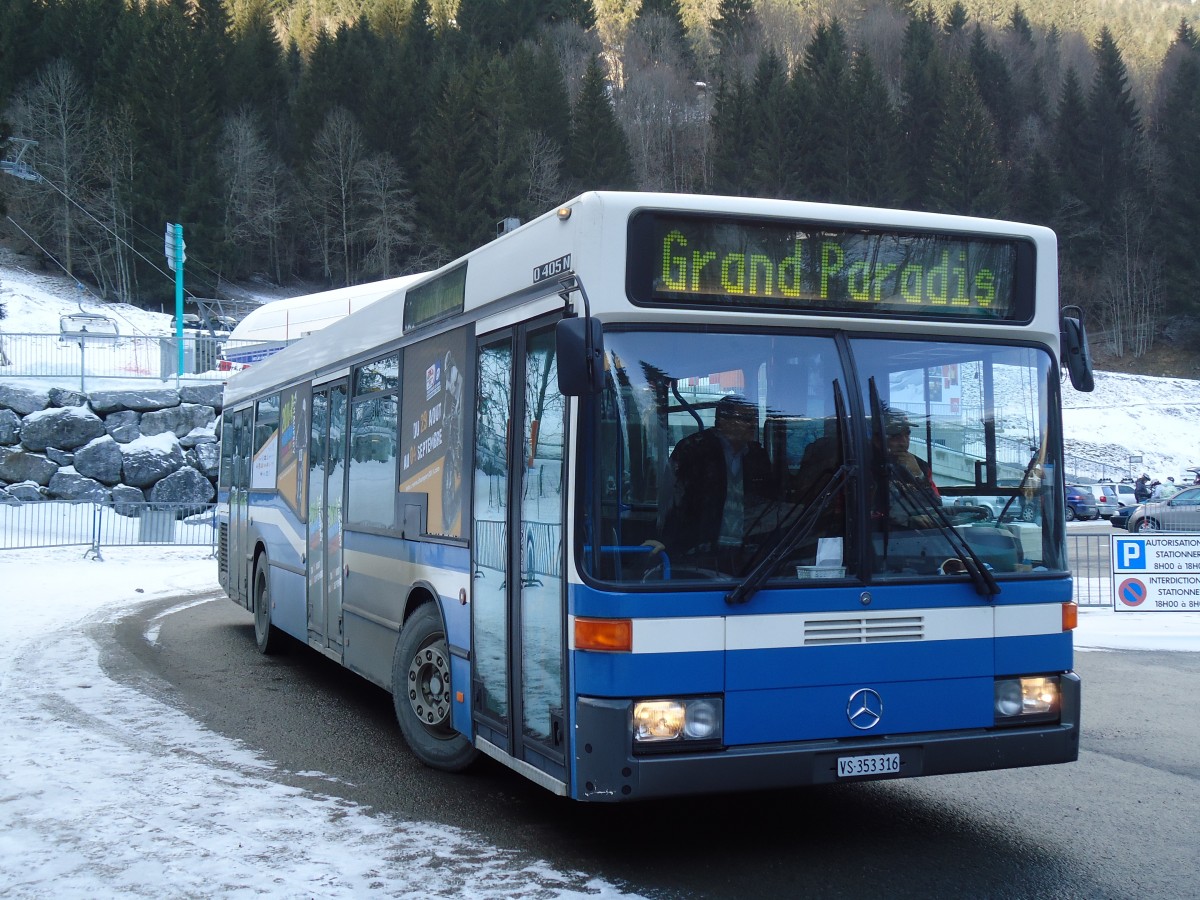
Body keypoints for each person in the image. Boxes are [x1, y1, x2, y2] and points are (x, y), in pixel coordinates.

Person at [649, 395, 774, 570]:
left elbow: (769, 501)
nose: (753, 424)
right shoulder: (692, 449)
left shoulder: (757, 455)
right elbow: (672, 500)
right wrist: (665, 540)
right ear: (723, 421)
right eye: (745, 419)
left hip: (749, 551)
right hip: (699, 549)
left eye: (754, 418)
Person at [880, 408, 940, 527]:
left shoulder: (921, 466)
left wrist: (919, 475)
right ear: (881, 438)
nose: (903, 442)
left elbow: (936, 505)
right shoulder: (870, 466)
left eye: (907, 434)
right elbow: (873, 509)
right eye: (896, 436)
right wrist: (908, 520)